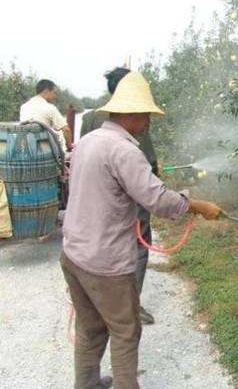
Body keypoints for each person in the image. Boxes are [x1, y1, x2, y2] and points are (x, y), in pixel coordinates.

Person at [61, 71, 223, 389]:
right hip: (104, 263)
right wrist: (198, 205)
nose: (148, 121)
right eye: (146, 114)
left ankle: (87, 385)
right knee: (125, 332)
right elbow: (158, 200)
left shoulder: (89, 141)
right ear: (131, 114)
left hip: (74, 253)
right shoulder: (125, 151)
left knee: (89, 329)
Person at [81, 67, 159, 325]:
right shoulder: (135, 117)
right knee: (138, 245)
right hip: (132, 197)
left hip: (98, 198)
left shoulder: (92, 117)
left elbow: (84, 153)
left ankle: (99, 302)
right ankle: (129, 306)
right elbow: (147, 161)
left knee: (102, 245)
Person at [19, 79, 72, 151]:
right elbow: (66, 130)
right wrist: (69, 147)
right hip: (45, 152)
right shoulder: (50, 108)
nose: (55, 96)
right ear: (46, 91)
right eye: (54, 92)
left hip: (25, 149)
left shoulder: (24, 107)